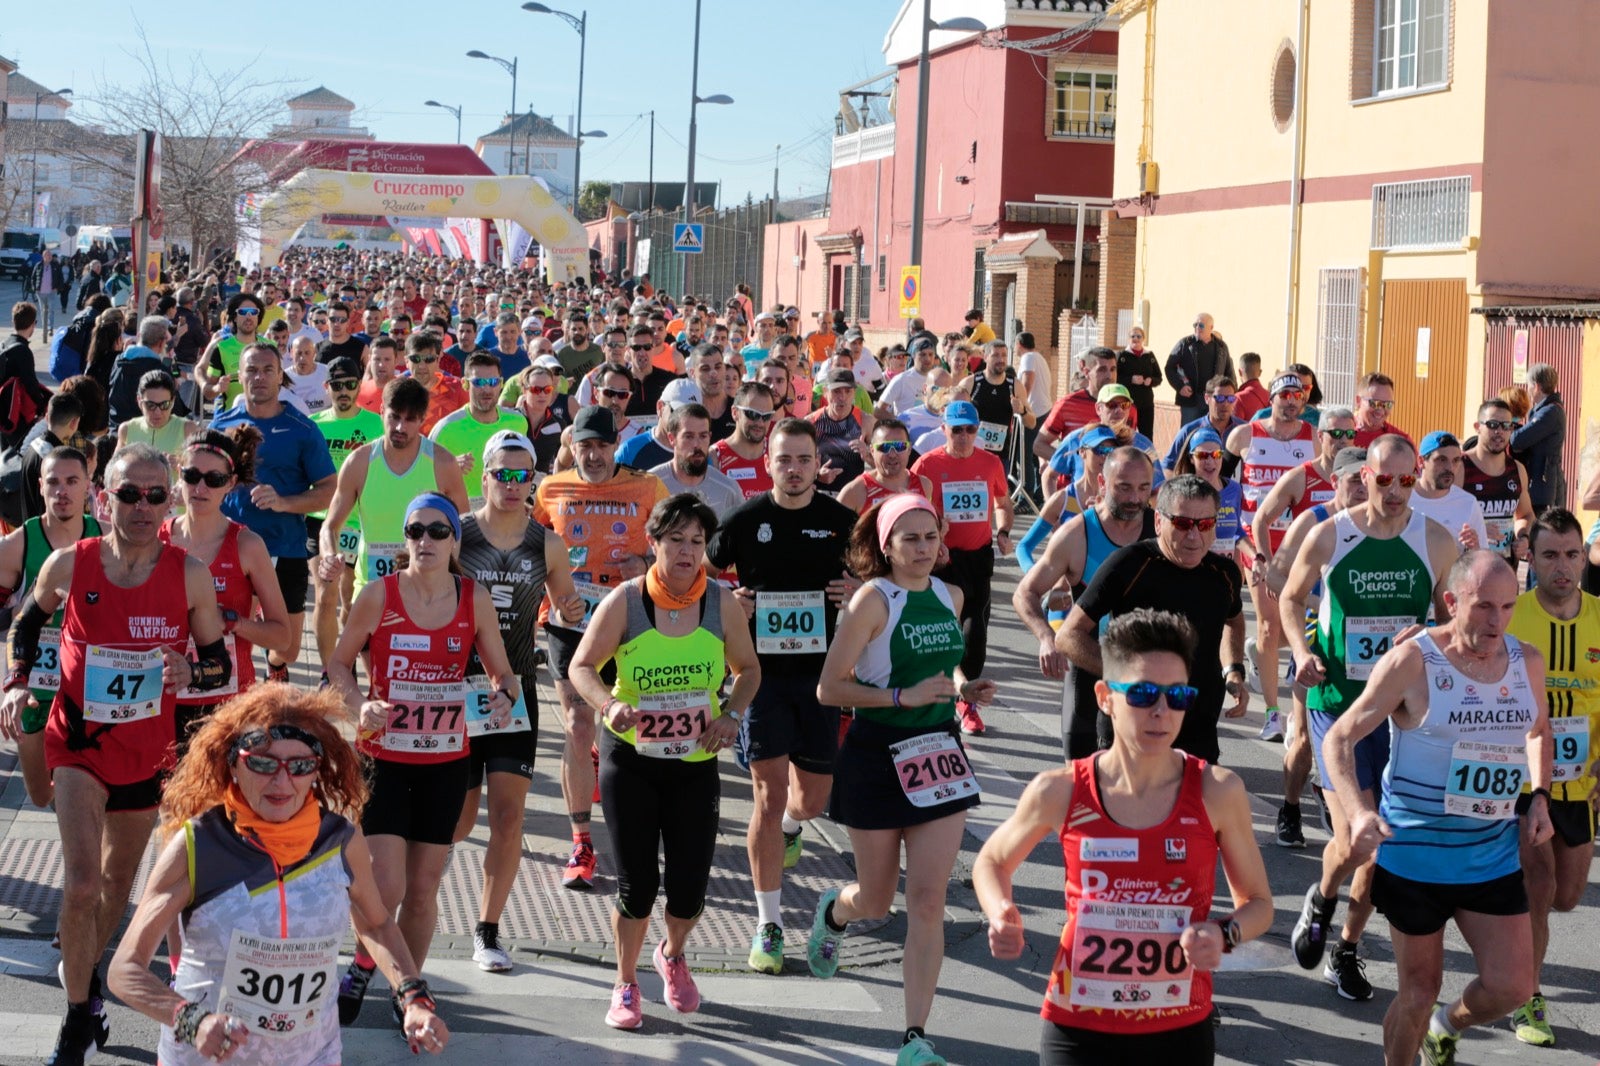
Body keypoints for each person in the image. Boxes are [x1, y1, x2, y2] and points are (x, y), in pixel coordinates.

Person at [0, 443, 230, 1065]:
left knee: (111, 887)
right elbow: (26, 623)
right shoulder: (71, 564)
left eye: (155, 495)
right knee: (80, 886)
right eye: (130, 494)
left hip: (146, 754)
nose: (142, 506)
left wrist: (192, 670)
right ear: (106, 499)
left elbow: (219, 663)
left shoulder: (188, 574)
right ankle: (77, 1015)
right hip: (76, 744)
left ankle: (89, 984)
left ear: (169, 501)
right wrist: (16, 681)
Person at [974, 608, 1274, 1066]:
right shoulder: (1061, 790)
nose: (1161, 711)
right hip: (1078, 1027)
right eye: (1143, 694)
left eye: (1178, 696)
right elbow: (992, 861)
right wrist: (1001, 911)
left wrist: (1225, 933)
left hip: (1178, 1029)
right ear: (1105, 697)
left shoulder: (1217, 791)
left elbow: (1258, 903)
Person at [106, 687, 450, 1065]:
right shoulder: (199, 845)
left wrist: (413, 997)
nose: (282, 783)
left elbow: (377, 923)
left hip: (312, 1055)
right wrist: (191, 1020)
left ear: (317, 769)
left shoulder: (339, 840)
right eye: (263, 763)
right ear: (233, 763)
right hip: (210, 1056)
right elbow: (125, 969)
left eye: (300, 765)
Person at [1325, 550, 1552, 1066]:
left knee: (1514, 986)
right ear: (1451, 601)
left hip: (1490, 857)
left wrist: (1539, 795)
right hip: (1416, 859)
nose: (1497, 621)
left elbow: (1539, 731)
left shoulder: (1526, 661)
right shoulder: (1413, 661)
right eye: (1483, 606)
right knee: (1417, 993)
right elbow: (1340, 738)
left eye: (1508, 607)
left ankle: (1445, 1027)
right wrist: (1358, 812)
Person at [810, 495, 994, 1066]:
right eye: (909, 538)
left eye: (930, 536)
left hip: (938, 752)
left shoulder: (950, 594)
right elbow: (829, 688)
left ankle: (915, 1037)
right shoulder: (872, 600)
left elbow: (943, 664)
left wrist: (961, 686)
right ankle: (834, 913)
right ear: (886, 546)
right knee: (875, 900)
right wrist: (899, 697)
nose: (922, 548)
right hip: (876, 755)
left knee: (928, 900)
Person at [325, 492, 520, 1028]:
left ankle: (403, 988)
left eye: (438, 531)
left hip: (445, 761)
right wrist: (359, 704)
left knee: (423, 889)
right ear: (405, 538)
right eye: (415, 531)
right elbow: (338, 664)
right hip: (383, 758)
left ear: (455, 541)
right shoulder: (378, 595)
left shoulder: (473, 599)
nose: (425, 540)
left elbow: (504, 675)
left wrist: (503, 698)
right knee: (384, 886)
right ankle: (368, 966)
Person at [1281, 434, 1459, 1003]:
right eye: (1385, 480)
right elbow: (1290, 598)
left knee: (1382, 843)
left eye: (1407, 481)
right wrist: (1301, 652)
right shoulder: (1332, 533)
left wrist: (1431, 634)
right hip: (1338, 705)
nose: (1396, 491)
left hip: (1402, 712)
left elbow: (1450, 619)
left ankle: (1346, 948)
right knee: (1358, 838)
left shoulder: (1435, 540)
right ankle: (1322, 896)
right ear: (1366, 477)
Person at [569, 494, 759, 1030]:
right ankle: (625, 983)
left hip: (695, 762)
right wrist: (609, 705)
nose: (687, 551)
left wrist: (733, 714)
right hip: (631, 758)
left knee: (690, 888)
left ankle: (672, 954)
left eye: (697, 541)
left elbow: (748, 669)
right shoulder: (626, 602)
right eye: (675, 540)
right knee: (637, 886)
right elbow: (583, 665)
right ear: (653, 543)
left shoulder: (720, 603)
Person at [707, 419, 858, 974]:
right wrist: (730, 600)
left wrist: (856, 589)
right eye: (783, 459)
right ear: (767, 462)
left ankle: (794, 829)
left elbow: (879, 579)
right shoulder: (746, 520)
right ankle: (768, 926)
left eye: (803, 459)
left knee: (811, 801)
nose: (793, 470)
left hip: (822, 679)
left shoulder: (841, 522)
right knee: (768, 799)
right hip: (761, 677)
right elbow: (700, 571)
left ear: (817, 463)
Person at [452, 431, 586, 973]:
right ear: (484, 476)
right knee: (458, 822)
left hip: (514, 693)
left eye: (522, 476)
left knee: (509, 818)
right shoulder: (457, 534)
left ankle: (488, 930)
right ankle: (419, 896)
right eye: (502, 475)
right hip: (456, 691)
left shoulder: (546, 543)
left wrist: (572, 610)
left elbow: (564, 605)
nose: (512, 485)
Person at [531, 406, 668, 888]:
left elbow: (677, 543)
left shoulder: (648, 488)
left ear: (615, 446)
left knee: (630, 725)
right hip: (568, 623)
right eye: (584, 446)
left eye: (602, 446)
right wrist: (550, 596)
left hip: (626, 621)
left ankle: (639, 823)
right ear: (573, 446)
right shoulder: (551, 489)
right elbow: (531, 547)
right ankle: (581, 842)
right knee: (576, 722)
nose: (592, 456)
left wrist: (647, 563)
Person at [1059, 476, 1247, 765]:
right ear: (1159, 521)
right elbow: (1068, 635)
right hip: (1133, 727)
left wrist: (1233, 670)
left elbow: (1233, 620)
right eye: (1182, 524)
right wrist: (1124, 674)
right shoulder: (1128, 564)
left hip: (1198, 728)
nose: (1194, 536)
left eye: (1205, 524)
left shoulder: (1225, 573)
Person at [1503, 508, 1599, 1047]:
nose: (1562, 566)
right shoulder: (1511, 617)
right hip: (1522, 781)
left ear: (1584, 558)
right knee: (1537, 888)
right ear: (1531, 559)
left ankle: (1512, 952)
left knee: (1566, 897)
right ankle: (1527, 996)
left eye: (1571, 554)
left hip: (1582, 784)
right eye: (1550, 555)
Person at [161, 429, 295, 752]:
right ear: (179, 474)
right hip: (165, 697)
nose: (200, 488)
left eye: (214, 479)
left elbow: (282, 638)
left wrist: (231, 621)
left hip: (228, 703)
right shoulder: (157, 539)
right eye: (191, 476)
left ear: (230, 483)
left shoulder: (247, 545)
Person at [212, 342, 338, 683]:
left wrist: (284, 503)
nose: (260, 377)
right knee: (222, 633)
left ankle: (274, 664)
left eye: (268, 370)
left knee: (289, 648)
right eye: (251, 370)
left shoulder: (302, 429)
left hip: (284, 547)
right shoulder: (222, 425)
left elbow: (329, 489)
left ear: (281, 376)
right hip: (230, 548)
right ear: (240, 376)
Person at [1263, 447, 1370, 848]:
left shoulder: (1385, 523)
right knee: (1307, 737)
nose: (1363, 488)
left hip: (1366, 649)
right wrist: (1322, 603)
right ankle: (1290, 807)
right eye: (1354, 480)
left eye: (1368, 479)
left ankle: (1346, 800)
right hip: (1316, 641)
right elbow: (1275, 577)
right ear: (1334, 481)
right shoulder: (1314, 521)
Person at [0, 446, 99, 808]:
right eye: (53, 482)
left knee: (88, 793)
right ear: (40, 486)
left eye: (72, 481)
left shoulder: (105, 539)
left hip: (90, 688)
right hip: (34, 688)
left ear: (87, 485)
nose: (62, 491)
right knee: (42, 796)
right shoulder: (18, 545)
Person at [913, 399, 1014, 736]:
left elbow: (1003, 503)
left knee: (974, 633)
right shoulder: (927, 464)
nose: (964, 436)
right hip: (942, 560)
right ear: (944, 429)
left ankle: (966, 703)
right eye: (957, 430)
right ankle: (931, 697)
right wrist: (932, 535)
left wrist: (1003, 531)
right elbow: (913, 508)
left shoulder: (990, 463)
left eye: (971, 429)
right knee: (940, 631)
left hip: (978, 558)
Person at [1228, 373, 1317, 742]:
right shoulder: (1244, 436)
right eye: (1284, 395)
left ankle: (1262, 656)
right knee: (1268, 625)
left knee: (1300, 627)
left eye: (1298, 396)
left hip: (1299, 545)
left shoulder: (1313, 437)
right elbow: (1225, 486)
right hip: (1258, 543)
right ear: (1272, 398)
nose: (1291, 402)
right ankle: (1272, 714)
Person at [429, 351, 530, 509]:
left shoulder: (518, 422)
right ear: (465, 384)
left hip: (507, 509)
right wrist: (449, 469)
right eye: (479, 382)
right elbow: (425, 480)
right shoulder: (445, 429)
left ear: (501, 383)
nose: (487, 389)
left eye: (493, 382)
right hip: (464, 512)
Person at [1461, 397, 1536, 559]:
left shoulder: (1517, 469)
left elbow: (1526, 515)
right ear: (1477, 427)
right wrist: (1477, 530)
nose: (1500, 431)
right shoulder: (1460, 467)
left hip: (1504, 565)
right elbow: (1439, 516)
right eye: (1493, 424)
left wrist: (1523, 537)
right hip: (1467, 566)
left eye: (1506, 426)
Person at [650, 403, 745, 518]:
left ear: (709, 437)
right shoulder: (651, 485)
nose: (697, 444)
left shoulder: (729, 489)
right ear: (672, 438)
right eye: (689, 436)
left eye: (703, 436)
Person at [1409, 431, 1488, 552]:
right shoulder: (1403, 498)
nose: (1450, 468)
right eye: (1442, 460)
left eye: (1456, 460)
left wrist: (1475, 547)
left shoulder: (1468, 503)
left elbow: (1482, 556)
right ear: (1421, 461)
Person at [955, 339, 1031, 460]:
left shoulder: (1015, 385)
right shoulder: (970, 383)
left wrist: (1022, 411)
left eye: (1004, 355)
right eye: (995, 355)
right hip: (971, 454)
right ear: (985, 357)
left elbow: (1032, 423)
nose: (1001, 360)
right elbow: (953, 417)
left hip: (1001, 457)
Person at [838, 417, 934, 512]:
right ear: (872, 451)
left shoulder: (924, 485)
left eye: (899, 446)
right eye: (884, 447)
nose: (892, 454)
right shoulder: (855, 492)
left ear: (909, 450)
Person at [1161, 376, 1246, 479]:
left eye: (1230, 399)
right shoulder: (1190, 431)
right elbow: (1167, 467)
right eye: (1219, 398)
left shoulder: (1244, 430)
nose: (1225, 403)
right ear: (1207, 398)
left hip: (1235, 489)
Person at [115, 370, 198, 470]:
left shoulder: (188, 429)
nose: (158, 412)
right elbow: (114, 471)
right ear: (139, 401)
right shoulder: (127, 429)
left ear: (173, 401)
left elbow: (202, 470)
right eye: (150, 405)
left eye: (165, 405)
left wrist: (182, 465)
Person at [1510, 363, 1566, 510]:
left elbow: (1517, 440)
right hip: (1540, 484)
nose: (1527, 389)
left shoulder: (1550, 412)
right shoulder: (1543, 409)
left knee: (1542, 523)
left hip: (1544, 488)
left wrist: (1509, 431)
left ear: (1536, 386)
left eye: (1528, 385)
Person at [615, 377, 700, 472]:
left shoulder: (700, 454)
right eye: (678, 412)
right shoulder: (629, 452)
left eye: (694, 415)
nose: (686, 421)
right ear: (660, 407)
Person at [198, 294, 266, 412]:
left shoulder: (270, 347)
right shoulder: (221, 348)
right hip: (232, 419)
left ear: (258, 317)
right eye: (242, 312)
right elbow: (209, 393)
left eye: (253, 312)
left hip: (265, 418)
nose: (248, 316)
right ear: (234, 317)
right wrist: (217, 388)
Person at [711, 380, 778, 499]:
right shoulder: (715, 456)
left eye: (767, 416)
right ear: (735, 413)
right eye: (753, 414)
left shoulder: (777, 452)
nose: (760, 423)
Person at [810, 368, 874, 489]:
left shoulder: (866, 421)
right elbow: (798, 466)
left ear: (854, 393)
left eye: (848, 391)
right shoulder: (811, 423)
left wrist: (867, 455)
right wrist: (817, 476)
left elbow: (884, 466)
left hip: (853, 494)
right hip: (819, 493)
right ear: (825, 392)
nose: (842, 397)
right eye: (836, 391)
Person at [1165, 313, 1233, 425]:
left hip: (1214, 399)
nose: (1197, 328)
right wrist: (1180, 386)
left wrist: (1230, 395)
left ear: (1211, 327)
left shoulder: (1221, 346)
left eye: (1201, 325)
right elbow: (1169, 368)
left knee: (1212, 430)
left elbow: (1229, 372)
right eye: (1195, 325)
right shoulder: (1185, 344)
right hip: (1191, 400)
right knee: (1189, 432)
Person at [402, 332, 468, 436]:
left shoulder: (458, 388)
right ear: (406, 361)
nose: (422, 366)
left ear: (438, 360)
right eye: (416, 359)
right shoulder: (398, 391)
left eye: (429, 359)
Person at [1116, 324, 1160, 439]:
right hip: (1127, 403)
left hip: (1146, 403)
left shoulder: (1149, 356)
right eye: (1133, 336)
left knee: (1147, 435)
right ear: (1128, 339)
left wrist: (1151, 381)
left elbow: (1159, 377)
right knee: (1126, 434)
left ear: (1143, 339)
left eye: (1139, 336)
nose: (1136, 339)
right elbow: (1115, 378)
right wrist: (1131, 379)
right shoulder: (1122, 356)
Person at [1232, 352, 1268, 421]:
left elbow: (1234, 425)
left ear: (1240, 372)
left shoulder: (1238, 398)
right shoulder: (1270, 396)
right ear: (1260, 372)